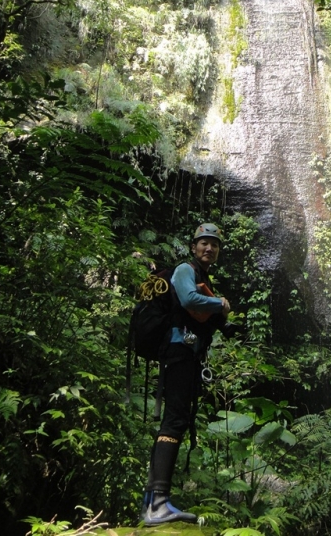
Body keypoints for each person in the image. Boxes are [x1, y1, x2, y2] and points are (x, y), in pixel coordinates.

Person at [141, 223, 232, 526]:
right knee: (176, 419)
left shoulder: (201, 274)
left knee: (176, 418)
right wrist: (220, 304)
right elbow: (190, 300)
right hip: (179, 350)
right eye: (204, 243)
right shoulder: (184, 269)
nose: (209, 248)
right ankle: (158, 503)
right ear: (194, 247)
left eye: (214, 245)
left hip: (187, 353)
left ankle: (151, 501)